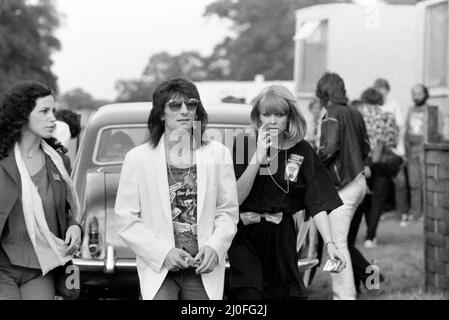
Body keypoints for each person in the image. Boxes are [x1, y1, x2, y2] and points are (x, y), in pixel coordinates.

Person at [114, 77, 239, 300]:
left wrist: (215, 247)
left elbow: (227, 211)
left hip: (203, 269)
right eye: (175, 105)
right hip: (159, 269)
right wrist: (163, 254)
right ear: (161, 114)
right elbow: (126, 219)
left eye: (191, 104)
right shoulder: (138, 158)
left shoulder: (217, 154)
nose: (184, 111)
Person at [228, 85, 345, 300]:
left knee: (283, 294)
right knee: (249, 296)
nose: (272, 121)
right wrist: (259, 156)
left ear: (289, 116)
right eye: (266, 114)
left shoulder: (302, 150)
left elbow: (317, 201)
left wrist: (330, 243)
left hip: (281, 236)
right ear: (258, 116)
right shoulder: (244, 144)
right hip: (245, 234)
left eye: (279, 114)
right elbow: (235, 198)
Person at [0, 81, 82, 300]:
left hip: (41, 266)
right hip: (3, 268)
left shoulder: (59, 161)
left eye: (53, 110)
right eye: (44, 111)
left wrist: (74, 226)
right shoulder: (2, 159)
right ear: (23, 115)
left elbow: (65, 211)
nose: (53, 118)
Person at [316, 72, 370, 300]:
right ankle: (373, 280)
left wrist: (311, 161)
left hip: (342, 186)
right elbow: (366, 146)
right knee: (345, 243)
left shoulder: (331, 112)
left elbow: (329, 149)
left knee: (337, 245)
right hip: (359, 182)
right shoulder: (356, 112)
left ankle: (344, 296)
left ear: (323, 91)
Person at [357, 88, 399, 248]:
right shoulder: (387, 116)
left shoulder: (358, 115)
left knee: (365, 199)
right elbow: (392, 141)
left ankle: (366, 233)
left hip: (363, 161)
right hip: (381, 161)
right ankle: (371, 236)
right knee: (378, 200)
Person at [373, 79, 409, 226]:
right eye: (378, 89)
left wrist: (400, 149)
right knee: (381, 183)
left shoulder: (393, 105)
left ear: (387, 90)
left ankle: (403, 212)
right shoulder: (374, 106)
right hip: (379, 150)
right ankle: (382, 211)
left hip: (394, 150)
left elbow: (400, 127)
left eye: (383, 89)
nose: (381, 92)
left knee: (399, 182)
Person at [404, 84, 444, 220]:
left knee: (428, 183)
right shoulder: (410, 110)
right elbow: (407, 129)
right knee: (414, 183)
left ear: (425, 94)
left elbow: (437, 132)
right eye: (413, 94)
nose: (416, 97)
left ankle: (428, 213)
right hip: (412, 150)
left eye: (418, 93)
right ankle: (415, 212)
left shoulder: (433, 111)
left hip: (425, 151)